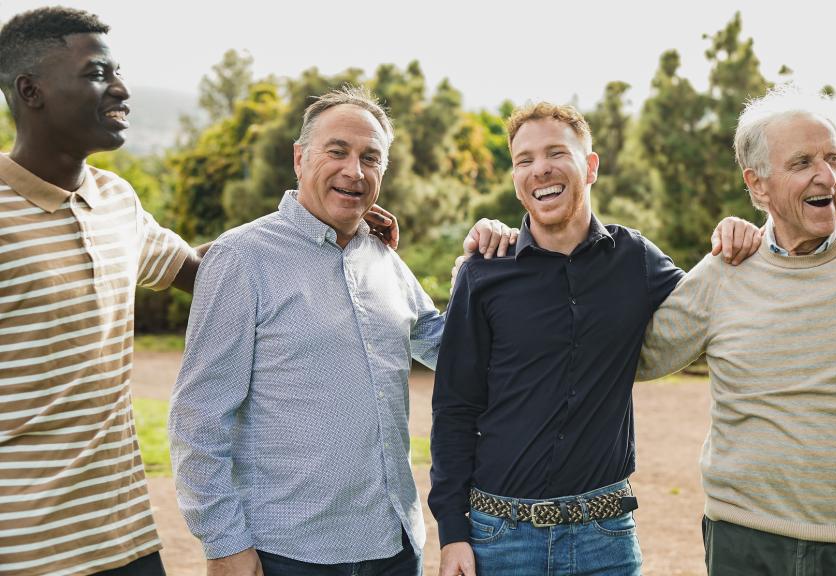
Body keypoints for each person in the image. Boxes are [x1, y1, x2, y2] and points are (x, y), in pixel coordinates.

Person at [167, 86, 516, 576]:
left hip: (394, 546)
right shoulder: (241, 258)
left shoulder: (381, 256)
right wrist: (223, 544)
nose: (355, 170)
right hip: (288, 553)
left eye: (370, 158)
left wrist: (481, 269)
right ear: (299, 158)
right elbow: (198, 417)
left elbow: (447, 347)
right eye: (338, 152)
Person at [637, 86, 836, 576]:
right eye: (802, 162)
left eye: (833, 158)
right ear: (758, 185)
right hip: (743, 540)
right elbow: (631, 355)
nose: (825, 175)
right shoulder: (726, 269)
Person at [429, 102, 684, 576]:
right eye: (523, 160)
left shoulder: (635, 260)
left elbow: (707, 308)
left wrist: (740, 238)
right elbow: (454, 407)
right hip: (499, 540)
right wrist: (452, 533)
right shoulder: (484, 274)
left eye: (555, 153)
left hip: (605, 540)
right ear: (515, 179)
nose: (539, 168)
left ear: (590, 166)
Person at [0, 8, 199, 575]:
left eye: (119, 71)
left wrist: (322, 221)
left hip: (126, 538)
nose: (121, 88)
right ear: (30, 91)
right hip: (24, 551)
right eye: (97, 73)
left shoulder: (115, 199)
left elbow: (208, 272)